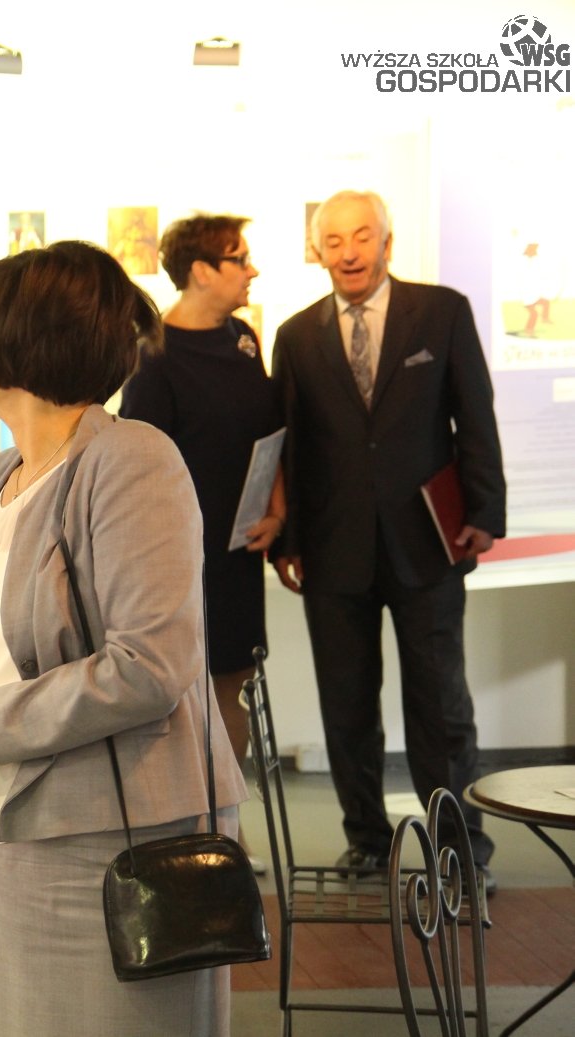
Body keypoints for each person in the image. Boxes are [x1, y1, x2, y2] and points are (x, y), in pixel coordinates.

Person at [0, 241, 245, 1035]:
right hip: (14, 824)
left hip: (117, 840)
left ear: (27, 334)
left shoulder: (132, 459)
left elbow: (149, 663)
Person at [272, 190, 505, 887]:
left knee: (441, 707)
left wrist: (484, 510)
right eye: (334, 240)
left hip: (428, 543)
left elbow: (474, 414)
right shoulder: (295, 335)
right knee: (346, 707)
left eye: (361, 236)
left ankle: (458, 850)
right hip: (330, 551)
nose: (348, 252)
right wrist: (285, 539)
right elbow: (289, 445)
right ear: (317, 251)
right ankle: (368, 841)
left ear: (386, 242)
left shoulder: (441, 312)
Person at [119, 214, 284, 865]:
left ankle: (224, 825)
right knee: (184, 691)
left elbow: (268, 433)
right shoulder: (152, 354)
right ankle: (190, 831)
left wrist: (276, 506)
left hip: (238, 547)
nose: (251, 270)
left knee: (232, 679)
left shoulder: (243, 338)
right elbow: (138, 466)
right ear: (201, 271)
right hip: (181, 554)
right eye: (239, 259)